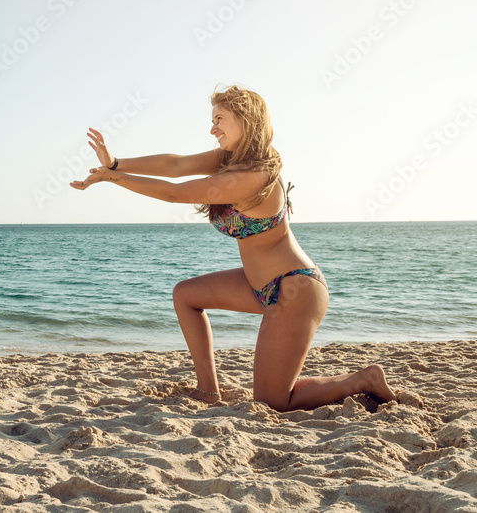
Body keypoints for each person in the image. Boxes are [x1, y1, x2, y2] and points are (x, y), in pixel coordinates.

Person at [70, 85, 396, 411]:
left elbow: (174, 193)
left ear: (247, 120)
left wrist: (112, 179)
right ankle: (208, 390)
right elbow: (177, 166)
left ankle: (363, 379)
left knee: (274, 403)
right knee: (186, 295)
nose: (213, 128)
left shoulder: (254, 176)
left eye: (220, 119)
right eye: (212, 120)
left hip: (294, 290)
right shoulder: (230, 161)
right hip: (260, 286)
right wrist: (115, 163)